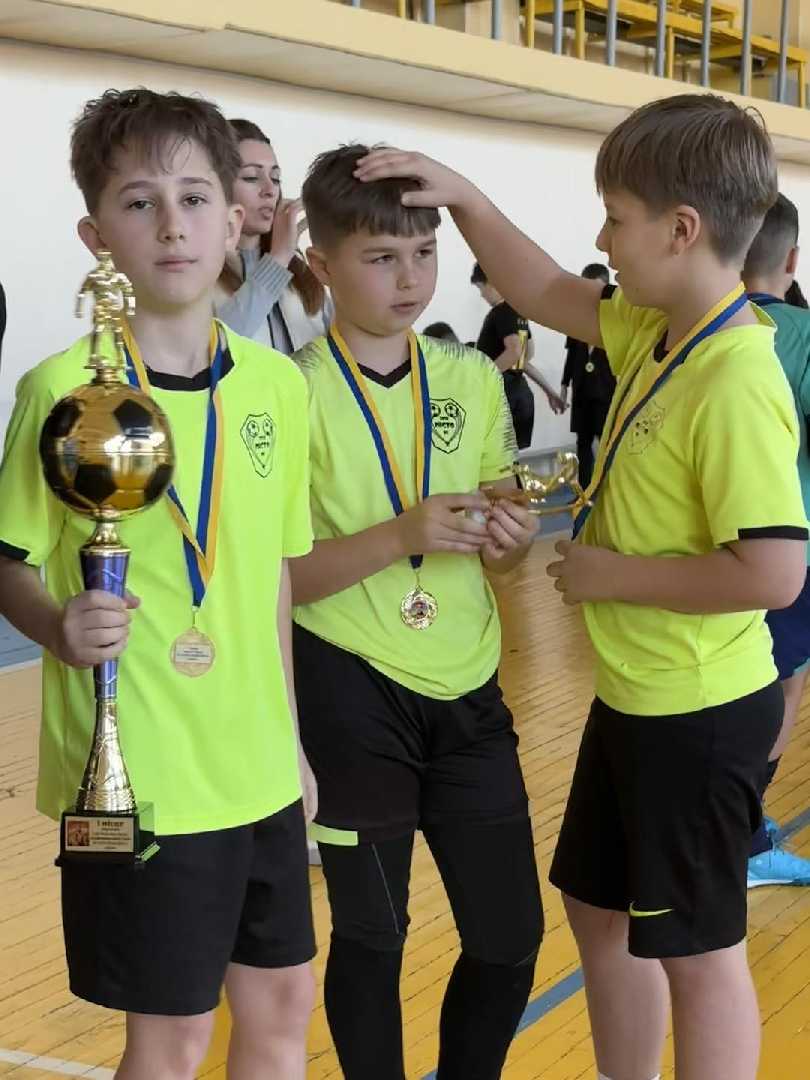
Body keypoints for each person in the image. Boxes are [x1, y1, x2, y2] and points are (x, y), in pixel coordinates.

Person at [353, 92, 808, 1080]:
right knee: (599, 910)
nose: (601, 240)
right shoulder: (658, 328)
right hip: (640, 697)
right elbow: (545, 284)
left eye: (616, 218)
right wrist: (466, 197)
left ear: (681, 230)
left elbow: (776, 574)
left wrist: (613, 573)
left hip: (696, 710)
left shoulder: (735, 375)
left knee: (699, 952)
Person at [0, 89, 316, 1079]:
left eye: (194, 198)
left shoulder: (278, 386)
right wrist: (55, 624)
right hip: (140, 778)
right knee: (172, 1036)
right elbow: (7, 562)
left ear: (238, 220)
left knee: (282, 1004)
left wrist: (292, 742)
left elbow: (270, 577)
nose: (172, 224)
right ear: (98, 237)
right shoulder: (63, 392)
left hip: (257, 765)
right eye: (140, 202)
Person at [290, 144, 543, 1080]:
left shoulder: (470, 377)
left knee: (510, 935)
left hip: (467, 682)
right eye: (381, 257)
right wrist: (400, 533)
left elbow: (501, 532)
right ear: (321, 263)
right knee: (373, 934)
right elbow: (276, 578)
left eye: (425, 253)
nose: (410, 279)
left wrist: (510, 537)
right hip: (349, 684)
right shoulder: (287, 392)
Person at [743, 193, 810, 888]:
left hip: (703, 552)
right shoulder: (802, 335)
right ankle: (744, 840)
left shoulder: (686, 328)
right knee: (781, 691)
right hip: (789, 552)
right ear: (792, 259)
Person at [215, 118, 332, 353]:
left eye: (275, 178)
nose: (270, 190)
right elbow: (216, 349)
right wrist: (278, 258)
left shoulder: (303, 275)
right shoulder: (199, 273)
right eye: (251, 177)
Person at [472, 262, 565, 448]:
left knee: (495, 456)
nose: (481, 295)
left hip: (503, 395)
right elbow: (524, 358)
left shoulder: (501, 312)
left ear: (492, 282)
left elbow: (514, 352)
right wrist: (550, 392)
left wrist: (483, 376)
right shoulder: (518, 314)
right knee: (510, 456)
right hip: (520, 394)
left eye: (481, 288)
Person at [561, 264, 616, 489]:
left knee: (607, 443)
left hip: (606, 391)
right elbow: (571, 355)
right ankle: (584, 491)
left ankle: (608, 490)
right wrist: (564, 386)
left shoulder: (616, 317)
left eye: (596, 288)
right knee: (582, 444)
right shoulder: (576, 317)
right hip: (582, 390)